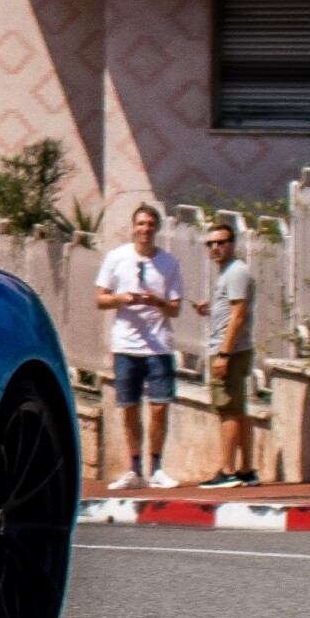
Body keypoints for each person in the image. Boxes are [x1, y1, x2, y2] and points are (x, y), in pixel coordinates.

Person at [95, 202, 183, 490]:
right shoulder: (116, 257)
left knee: (159, 407)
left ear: (157, 229)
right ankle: (134, 468)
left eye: (150, 224)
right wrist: (123, 299)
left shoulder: (169, 262)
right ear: (133, 227)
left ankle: (156, 466)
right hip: (126, 344)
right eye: (141, 224)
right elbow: (100, 299)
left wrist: (155, 300)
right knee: (129, 407)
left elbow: (175, 309)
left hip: (158, 346)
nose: (145, 229)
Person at [193, 222, 259, 488]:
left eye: (221, 242)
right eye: (211, 244)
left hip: (229, 350)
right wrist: (210, 307)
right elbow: (230, 308)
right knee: (238, 410)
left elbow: (238, 315)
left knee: (227, 410)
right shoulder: (230, 274)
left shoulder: (235, 272)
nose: (215, 248)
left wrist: (223, 354)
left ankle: (228, 470)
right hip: (233, 349)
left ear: (232, 244)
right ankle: (246, 469)